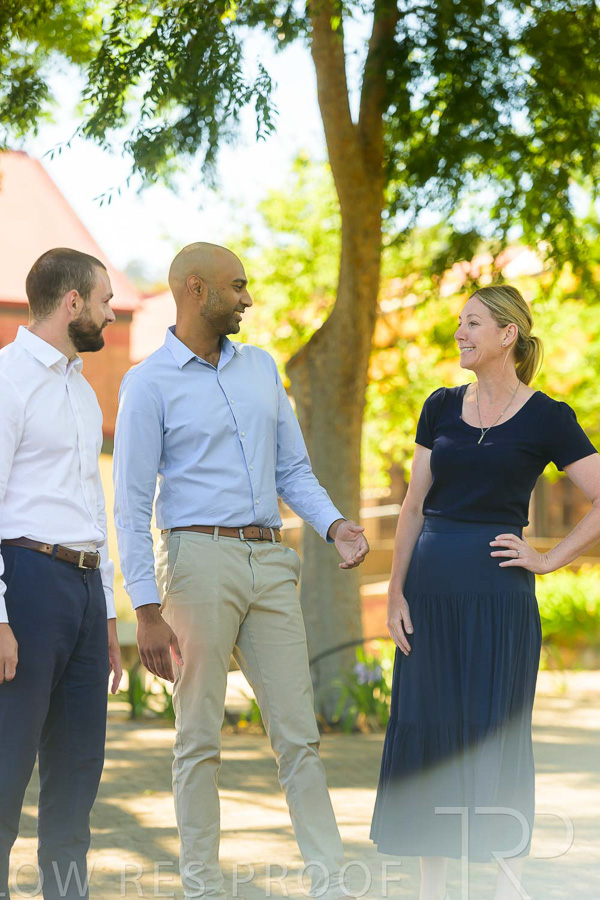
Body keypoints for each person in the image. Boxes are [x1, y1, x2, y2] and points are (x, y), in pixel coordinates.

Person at [113, 242, 370, 900]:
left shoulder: (261, 368)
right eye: (237, 286)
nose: (248, 299)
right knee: (198, 738)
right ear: (195, 290)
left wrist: (335, 525)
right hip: (197, 560)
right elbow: (132, 504)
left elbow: (293, 470)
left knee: (300, 737)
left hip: (271, 560)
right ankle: (202, 887)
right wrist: (145, 607)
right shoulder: (148, 382)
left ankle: (331, 883)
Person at [370, 285, 600, 900]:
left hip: (499, 600)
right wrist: (395, 593)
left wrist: (547, 559)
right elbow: (413, 506)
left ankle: (505, 886)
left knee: (495, 729)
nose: (460, 333)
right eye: (459, 323)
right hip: (428, 595)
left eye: (472, 323)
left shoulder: (547, 416)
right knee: (427, 725)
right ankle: (432, 889)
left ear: (507, 334)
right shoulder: (440, 406)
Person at [0, 248, 122, 900]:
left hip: (83, 587)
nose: (110, 314)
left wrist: (106, 614)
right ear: (72, 301)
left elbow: (90, 507)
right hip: (26, 581)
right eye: (104, 301)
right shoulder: (8, 379)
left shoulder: (80, 387)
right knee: (5, 772)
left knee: (77, 778)